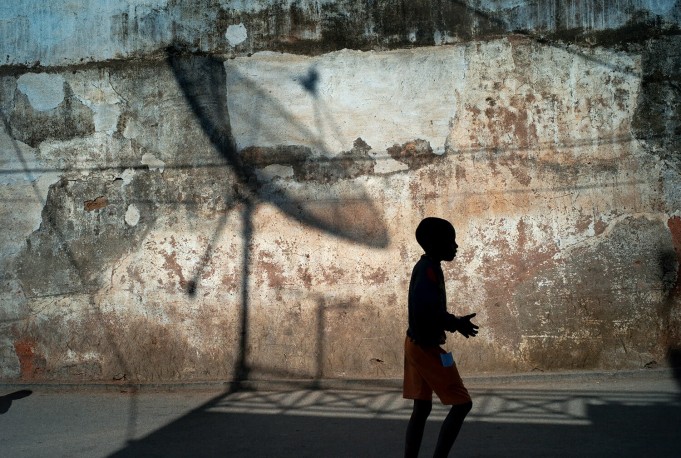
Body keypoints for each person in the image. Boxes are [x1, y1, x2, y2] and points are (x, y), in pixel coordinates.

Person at [403, 217, 479, 457]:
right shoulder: (428, 270)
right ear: (433, 243)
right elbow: (426, 310)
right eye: (450, 240)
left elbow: (428, 310)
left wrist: (454, 322)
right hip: (426, 347)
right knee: (463, 404)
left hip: (415, 343)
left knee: (422, 407)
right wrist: (455, 323)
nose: (455, 246)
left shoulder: (428, 267)